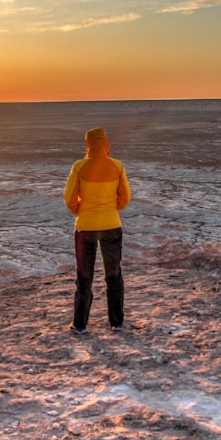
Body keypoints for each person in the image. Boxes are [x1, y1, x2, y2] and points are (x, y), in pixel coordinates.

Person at [62, 127, 131, 334]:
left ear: (89, 144)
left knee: (84, 277)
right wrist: (111, 209)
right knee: (114, 275)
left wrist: (80, 211)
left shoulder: (79, 166)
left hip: (85, 228)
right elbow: (125, 196)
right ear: (106, 144)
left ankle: (80, 325)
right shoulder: (117, 165)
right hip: (111, 225)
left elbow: (69, 197)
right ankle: (117, 323)